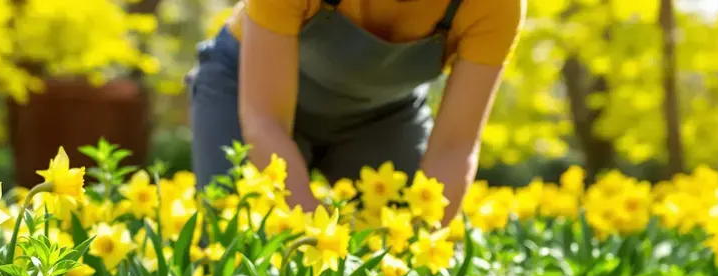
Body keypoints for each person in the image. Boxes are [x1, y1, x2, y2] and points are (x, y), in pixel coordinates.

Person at [188, 0, 526, 223]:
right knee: (234, 236)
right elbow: (265, 122)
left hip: (381, 118)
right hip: (245, 89)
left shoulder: (496, 6)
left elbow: (455, 146)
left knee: (392, 237)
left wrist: (417, 237)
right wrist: (314, 226)